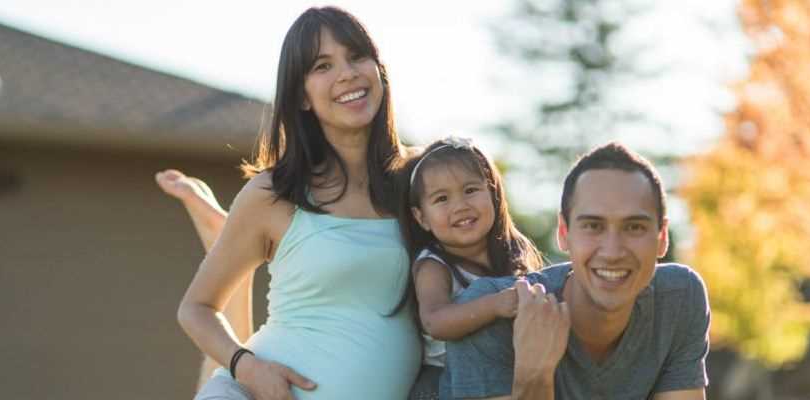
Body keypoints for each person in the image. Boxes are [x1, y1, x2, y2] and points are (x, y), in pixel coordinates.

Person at [159, 6, 421, 400]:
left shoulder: (421, 178)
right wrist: (245, 367)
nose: (347, 73)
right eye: (322, 66)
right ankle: (221, 231)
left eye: (356, 56)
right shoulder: (274, 193)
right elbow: (195, 308)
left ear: (378, 69)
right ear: (301, 95)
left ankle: (218, 227)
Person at [443, 142, 710, 399]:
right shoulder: (489, 314)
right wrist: (533, 376)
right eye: (593, 226)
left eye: (634, 227)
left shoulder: (678, 298)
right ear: (563, 233)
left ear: (662, 237)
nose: (613, 251)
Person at [395, 137, 543, 399]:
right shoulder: (434, 265)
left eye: (471, 190)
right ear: (422, 217)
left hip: (501, 368)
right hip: (443, 381)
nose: (460, 206)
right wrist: (494, 305)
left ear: (494, 194)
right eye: (442, 198)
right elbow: (436, 322)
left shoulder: (514, 251)